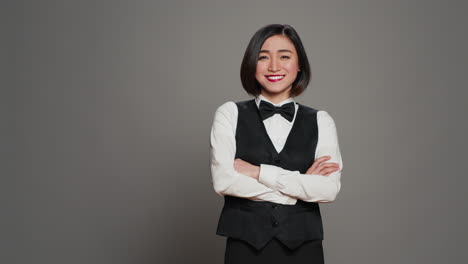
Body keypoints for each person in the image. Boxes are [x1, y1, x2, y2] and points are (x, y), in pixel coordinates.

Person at [209, 24, 343, 264]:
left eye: (284, 56)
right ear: (252, 64)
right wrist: (299, 190)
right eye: (263, 57)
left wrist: (258, 172)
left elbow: (328, 189)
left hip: (304, 250)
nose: (273, 66)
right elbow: (224, 180)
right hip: (244, 248)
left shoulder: (322, 120)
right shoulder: (229, 113)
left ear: (299, 64)